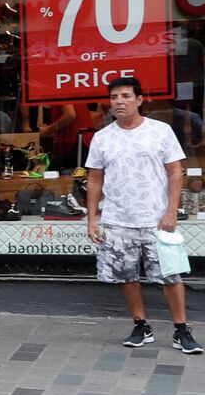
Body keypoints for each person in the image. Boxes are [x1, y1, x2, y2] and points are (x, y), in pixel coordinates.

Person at [85, 77, 198, 354]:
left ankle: (181, 330)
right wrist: (92, 219)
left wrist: (171, 211)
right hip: (118, 219)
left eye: (125, 96)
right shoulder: (102, 137)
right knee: (127, 276)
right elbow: (95, 180)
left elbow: (175, 172)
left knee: (170, 276)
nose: (119, 101)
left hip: (157, 220)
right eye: (114, 97)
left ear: (139, 99)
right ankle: (140, 325)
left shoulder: (160, 132)